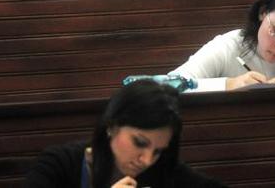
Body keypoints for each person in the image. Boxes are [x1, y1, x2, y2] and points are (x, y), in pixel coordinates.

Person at [25, 79, 226, 187]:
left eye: (157, 151)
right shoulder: (59, 165)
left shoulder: (164, 169)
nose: (147, 160)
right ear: (112, 126)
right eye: (140, 142)